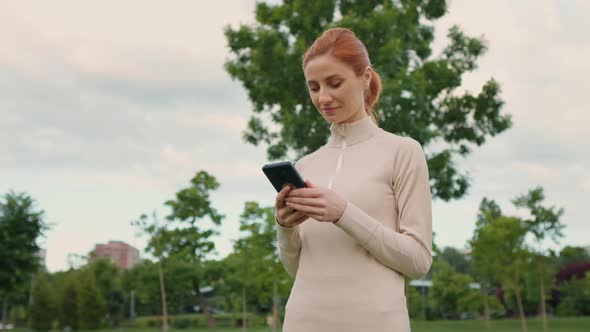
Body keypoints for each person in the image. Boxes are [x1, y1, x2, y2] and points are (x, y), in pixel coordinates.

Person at [274, 27, 433, 331]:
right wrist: (285, 228)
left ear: (366, 78)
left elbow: (418, 261)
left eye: (335, 83)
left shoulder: (402, 152)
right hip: (303, 322)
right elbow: (297, 269)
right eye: (314, 87)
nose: (324, 97)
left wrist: (343, 213)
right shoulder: (306, 165)